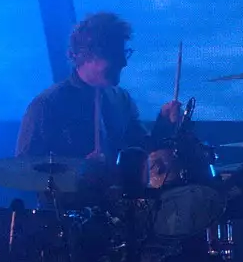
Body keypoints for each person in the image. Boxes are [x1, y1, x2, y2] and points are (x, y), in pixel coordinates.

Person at [16, 12, 180, 163]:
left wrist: (163, 123)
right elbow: (25, 168)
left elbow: (141, 149)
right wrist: (80, 172)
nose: (124, 62)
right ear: (85, 55)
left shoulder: (121, 99)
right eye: (115, 55)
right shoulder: (47, 105)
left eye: (124, 53)